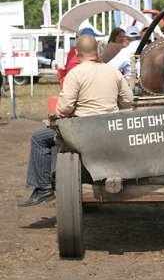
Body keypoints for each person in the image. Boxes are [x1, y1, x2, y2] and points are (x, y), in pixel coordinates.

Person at [17, 35, 133, 207]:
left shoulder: (76, 73)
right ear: (98, 52)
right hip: (110, 130)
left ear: (77, 53)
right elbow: (128, 101)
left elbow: (64, 109)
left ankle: (43, 188)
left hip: (83, 133)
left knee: (39, 138)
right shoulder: (113, 72)